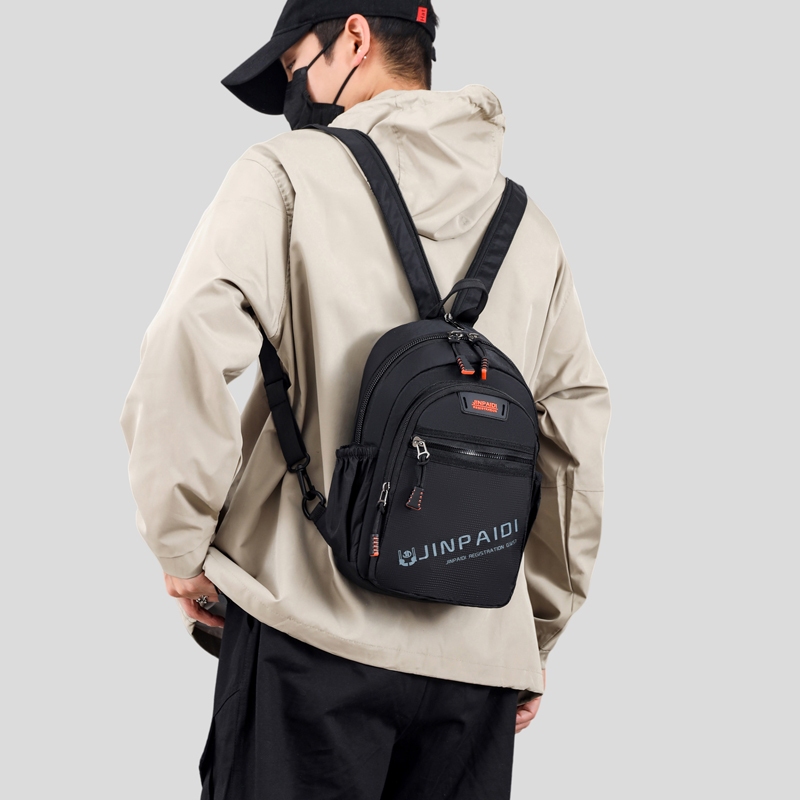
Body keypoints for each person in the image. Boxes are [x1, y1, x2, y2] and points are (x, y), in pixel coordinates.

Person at [120, 1, 611, 797]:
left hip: (307, 636)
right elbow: (575, 440)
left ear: (354, 37)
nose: (295, 95)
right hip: (474, 667)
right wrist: (534, 631)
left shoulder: (285, 176)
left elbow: (184, 343)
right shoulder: (531, 230)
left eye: (295, 67)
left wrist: (181, 546)